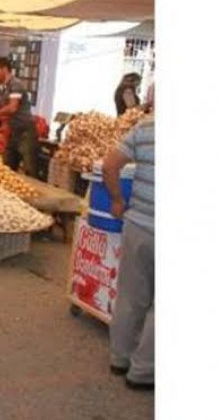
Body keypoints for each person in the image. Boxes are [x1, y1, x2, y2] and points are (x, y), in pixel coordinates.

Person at [102, 118, 155, 391]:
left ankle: (119, 358)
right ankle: (143, 371)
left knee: (130, 297)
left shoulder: (146, 128)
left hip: (138, 227)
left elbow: (109, 165)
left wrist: (117, 200)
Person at [0, 57, 38, 177]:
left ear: (5, 69)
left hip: (25, 131)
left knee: (30, 169)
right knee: (8, 167)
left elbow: (12, 108)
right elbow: (0, 101)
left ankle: (34, 194)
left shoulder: (16, 85)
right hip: (14, 132)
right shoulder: (7, 87)